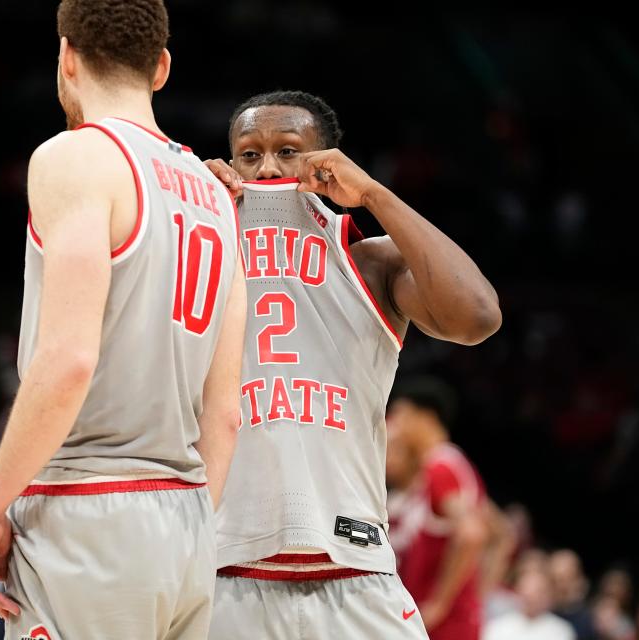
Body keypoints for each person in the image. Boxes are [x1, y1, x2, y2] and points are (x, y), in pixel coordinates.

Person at [0, 2, 246, 638]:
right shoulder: (216, 195)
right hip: (189, 524)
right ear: (162, 68)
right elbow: (225, 413)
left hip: (86, 512)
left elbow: (68, 361)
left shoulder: (75, 157)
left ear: (66, 58)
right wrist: (193, 523)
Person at [204, 91, 501, 639]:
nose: (268, 166)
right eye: (249, 154)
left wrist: (374, 195)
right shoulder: (204, 248)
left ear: (326, 161)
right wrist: (188, 212)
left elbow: (477, 317)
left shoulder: (366, 256)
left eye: (288, 151)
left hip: (355, 569)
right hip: (222, 570)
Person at [388, 377, 491, 639]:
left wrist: (440, 603)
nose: (394, 426)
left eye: (401, 415)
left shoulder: (440, 466)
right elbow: (498, 533)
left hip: (447, 624)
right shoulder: (444, 466)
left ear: (426, 417)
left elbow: (473, 533)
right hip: (446, 618)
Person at [483, 568, 576, 640]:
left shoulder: (560, 630)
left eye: (538, 592)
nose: (532, 598)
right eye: (527, 590)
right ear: (518, 591)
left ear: (549, 595)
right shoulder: (498, 626)